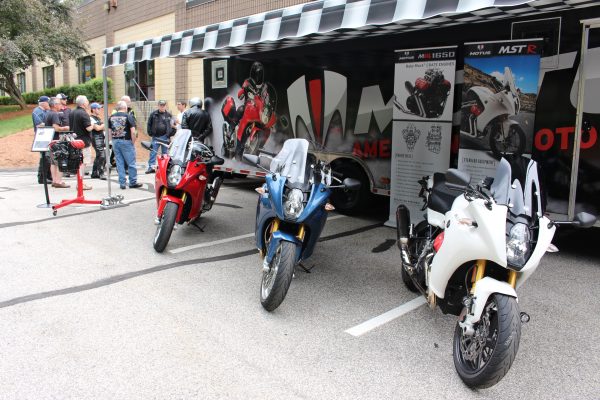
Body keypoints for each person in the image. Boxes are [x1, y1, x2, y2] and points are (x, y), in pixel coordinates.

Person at [109, 101, 142, 189]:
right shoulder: (128, 116)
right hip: (126, 141)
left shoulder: (111, 117)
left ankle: (122, 183)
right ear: (125, 108)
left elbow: (109, 131)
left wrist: (112, 141)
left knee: (119, 163)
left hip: (116, 141)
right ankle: (133, 182)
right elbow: (133, 131)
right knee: (131, 162)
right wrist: (133, 141)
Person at [69, 95, 94, 190]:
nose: (88, 102)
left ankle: (79, 182)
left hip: (74, 141)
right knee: (83, 163)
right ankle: (80, 183)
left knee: (79, 162)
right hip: (83, 142)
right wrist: (93, 124)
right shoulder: (84, 114)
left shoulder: (72, 112)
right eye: (87, 101)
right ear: (84, 103)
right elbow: (88, 128)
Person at [45, 98, 70, 188]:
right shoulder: (54, 114)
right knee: (60, 160)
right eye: (59, 104)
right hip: (56, 140)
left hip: (50, 140)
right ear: (55, 105)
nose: (61, 105)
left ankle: (54, 180)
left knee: (53, 162)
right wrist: (65, 128)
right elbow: (56, 128)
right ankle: (59, 181)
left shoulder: (48, 114)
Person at [146, 100, 173, 174]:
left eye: (163, 105)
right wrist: (150, 132)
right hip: (155, 137)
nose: (162, 106)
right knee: (153, 153)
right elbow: (149, 124)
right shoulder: (153, 114)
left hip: (165, 137)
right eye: (161, 105)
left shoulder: (169, 115)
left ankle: (164, 168)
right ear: (158, 106)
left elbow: (173, 125)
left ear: (165, 106)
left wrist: (169, 134)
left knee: (165, 154)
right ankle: (151, 167)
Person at [32, 96, 51, 184]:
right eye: (48, 102)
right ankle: (42, 177)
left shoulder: (46, 111)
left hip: (47, 135)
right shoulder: (37, 111)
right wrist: (51, 124)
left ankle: (47, 176)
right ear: (43, 103)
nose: (49, 104)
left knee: (48, 157)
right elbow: (39, 125)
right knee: (44, 157)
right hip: (42, 137)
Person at [89, 103, 106, 180]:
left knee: (99, 156)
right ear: (93, 109)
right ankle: (101, 172)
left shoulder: (98, 118)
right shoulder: (91, 118)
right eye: (98, 108)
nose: (99, 110)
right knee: (102, 155)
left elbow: (102, 127)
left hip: (100, 137)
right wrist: (103, 125)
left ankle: (94, 173)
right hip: (96, 138)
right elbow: (98, 128)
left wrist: (102, 126)